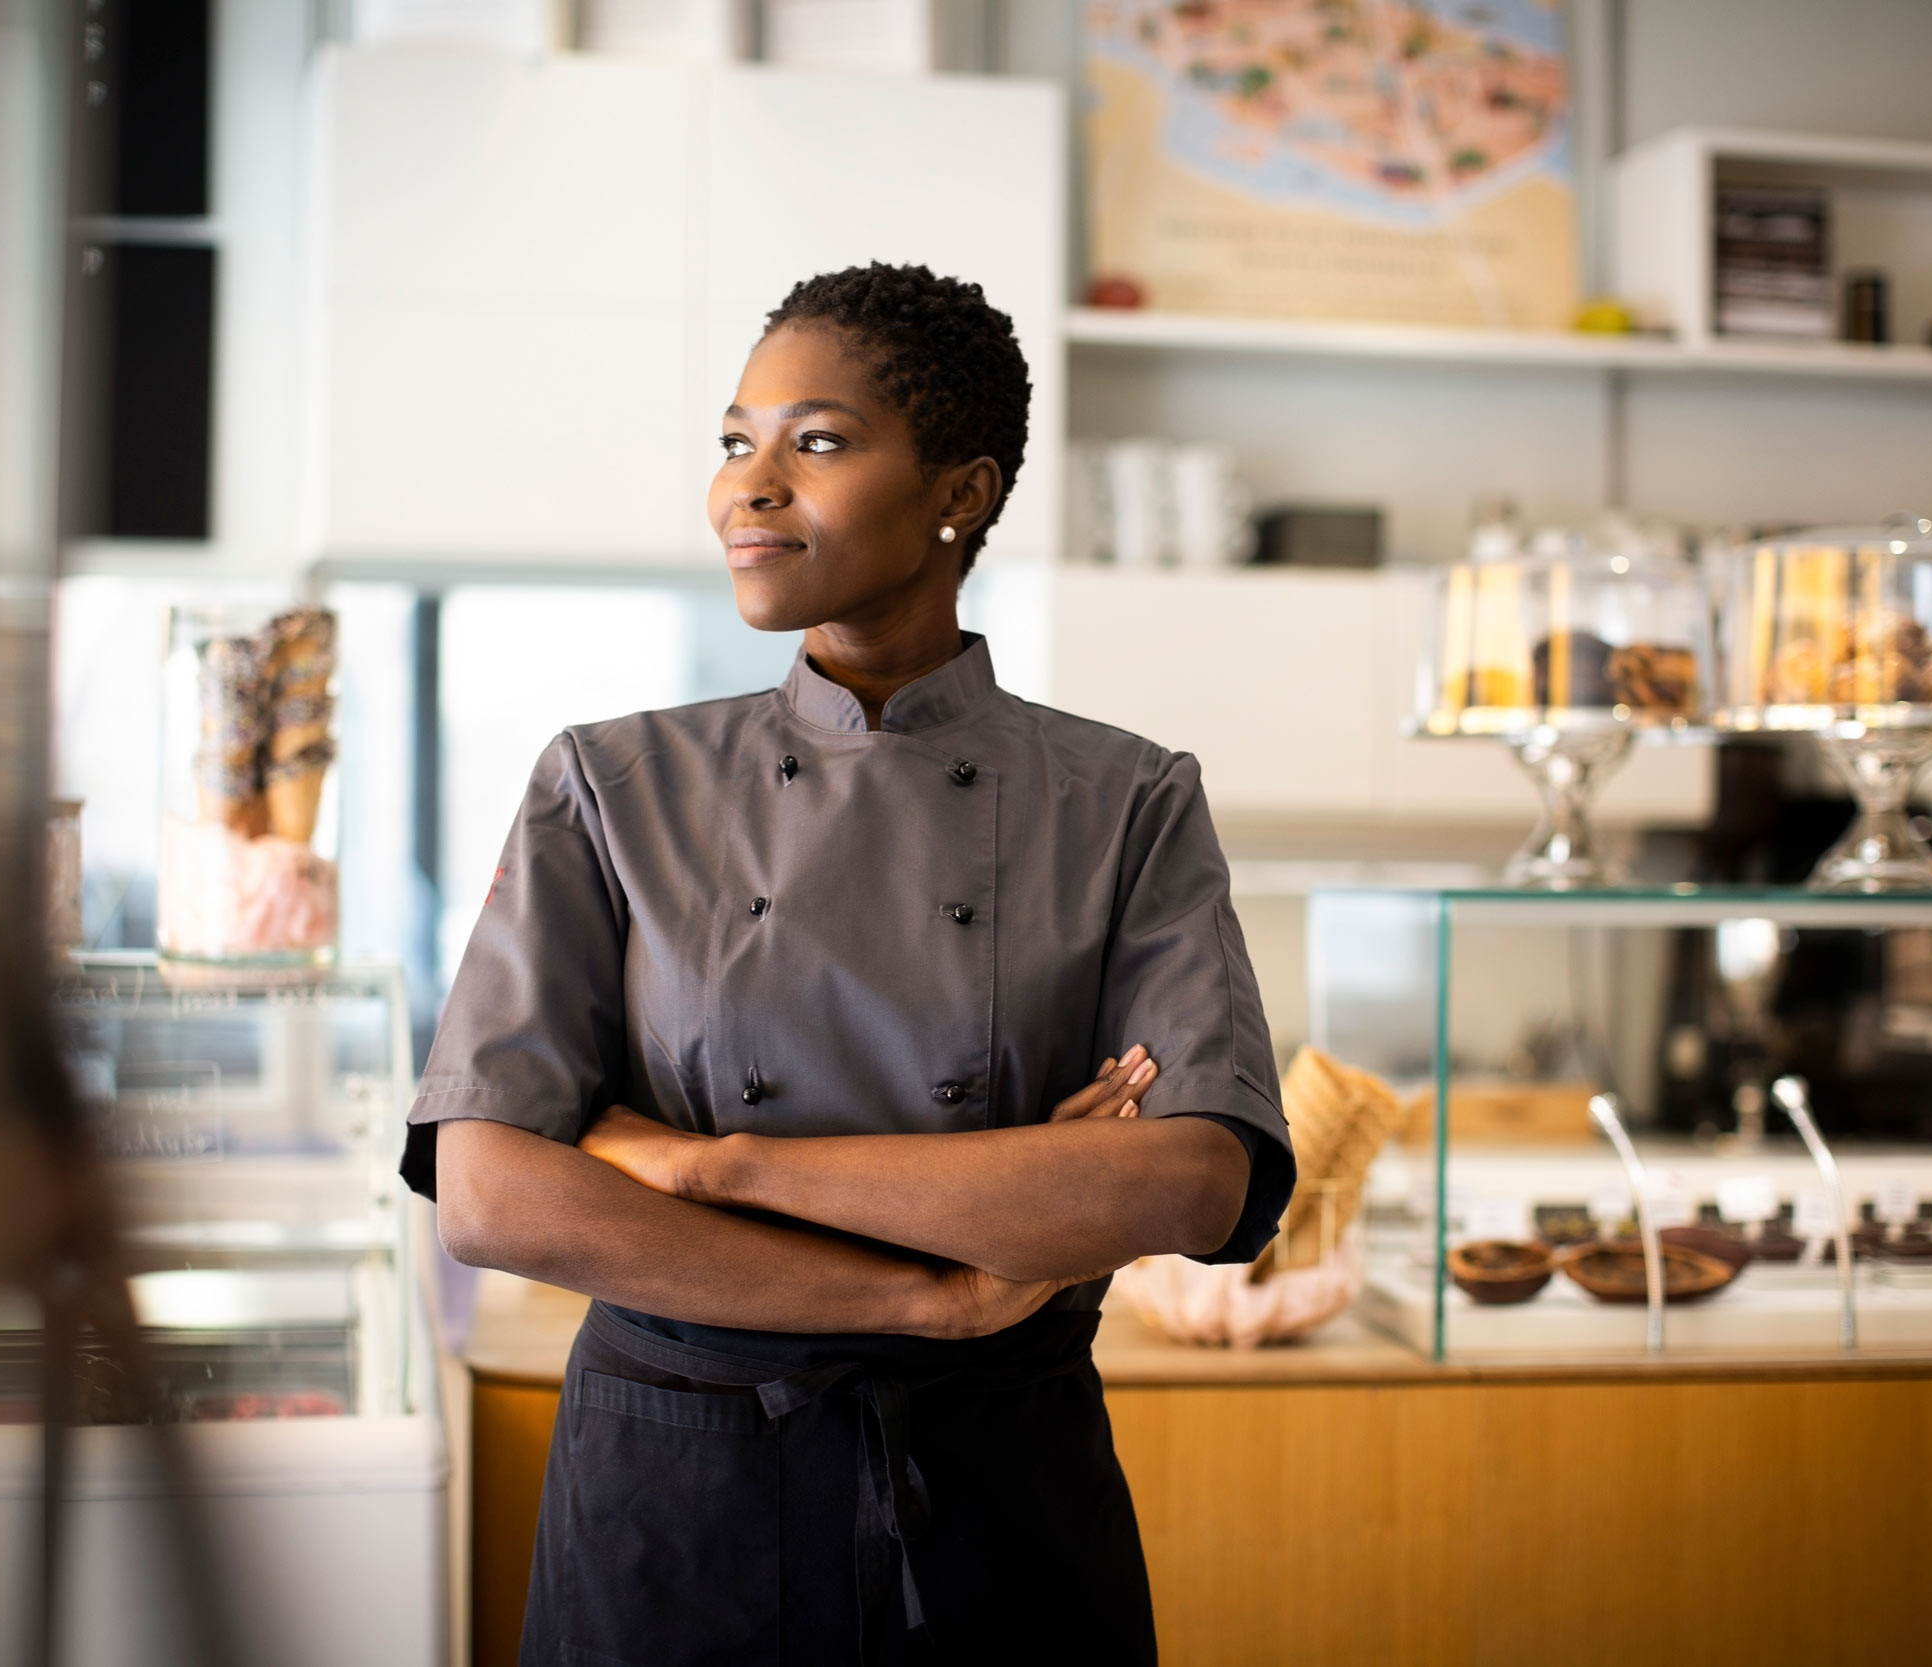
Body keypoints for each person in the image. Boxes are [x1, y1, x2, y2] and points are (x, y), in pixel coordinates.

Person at [406, 263, 1293, 1664]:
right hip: (677, 1501)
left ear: (964, 490)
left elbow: (1193, 1176)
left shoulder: (1125, 800)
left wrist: (718, 1166)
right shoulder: (611, 781)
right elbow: (495, 1193)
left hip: (1001, 1491)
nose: (747, 487)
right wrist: (932, 1289)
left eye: (813, 442)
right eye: (734, 441)